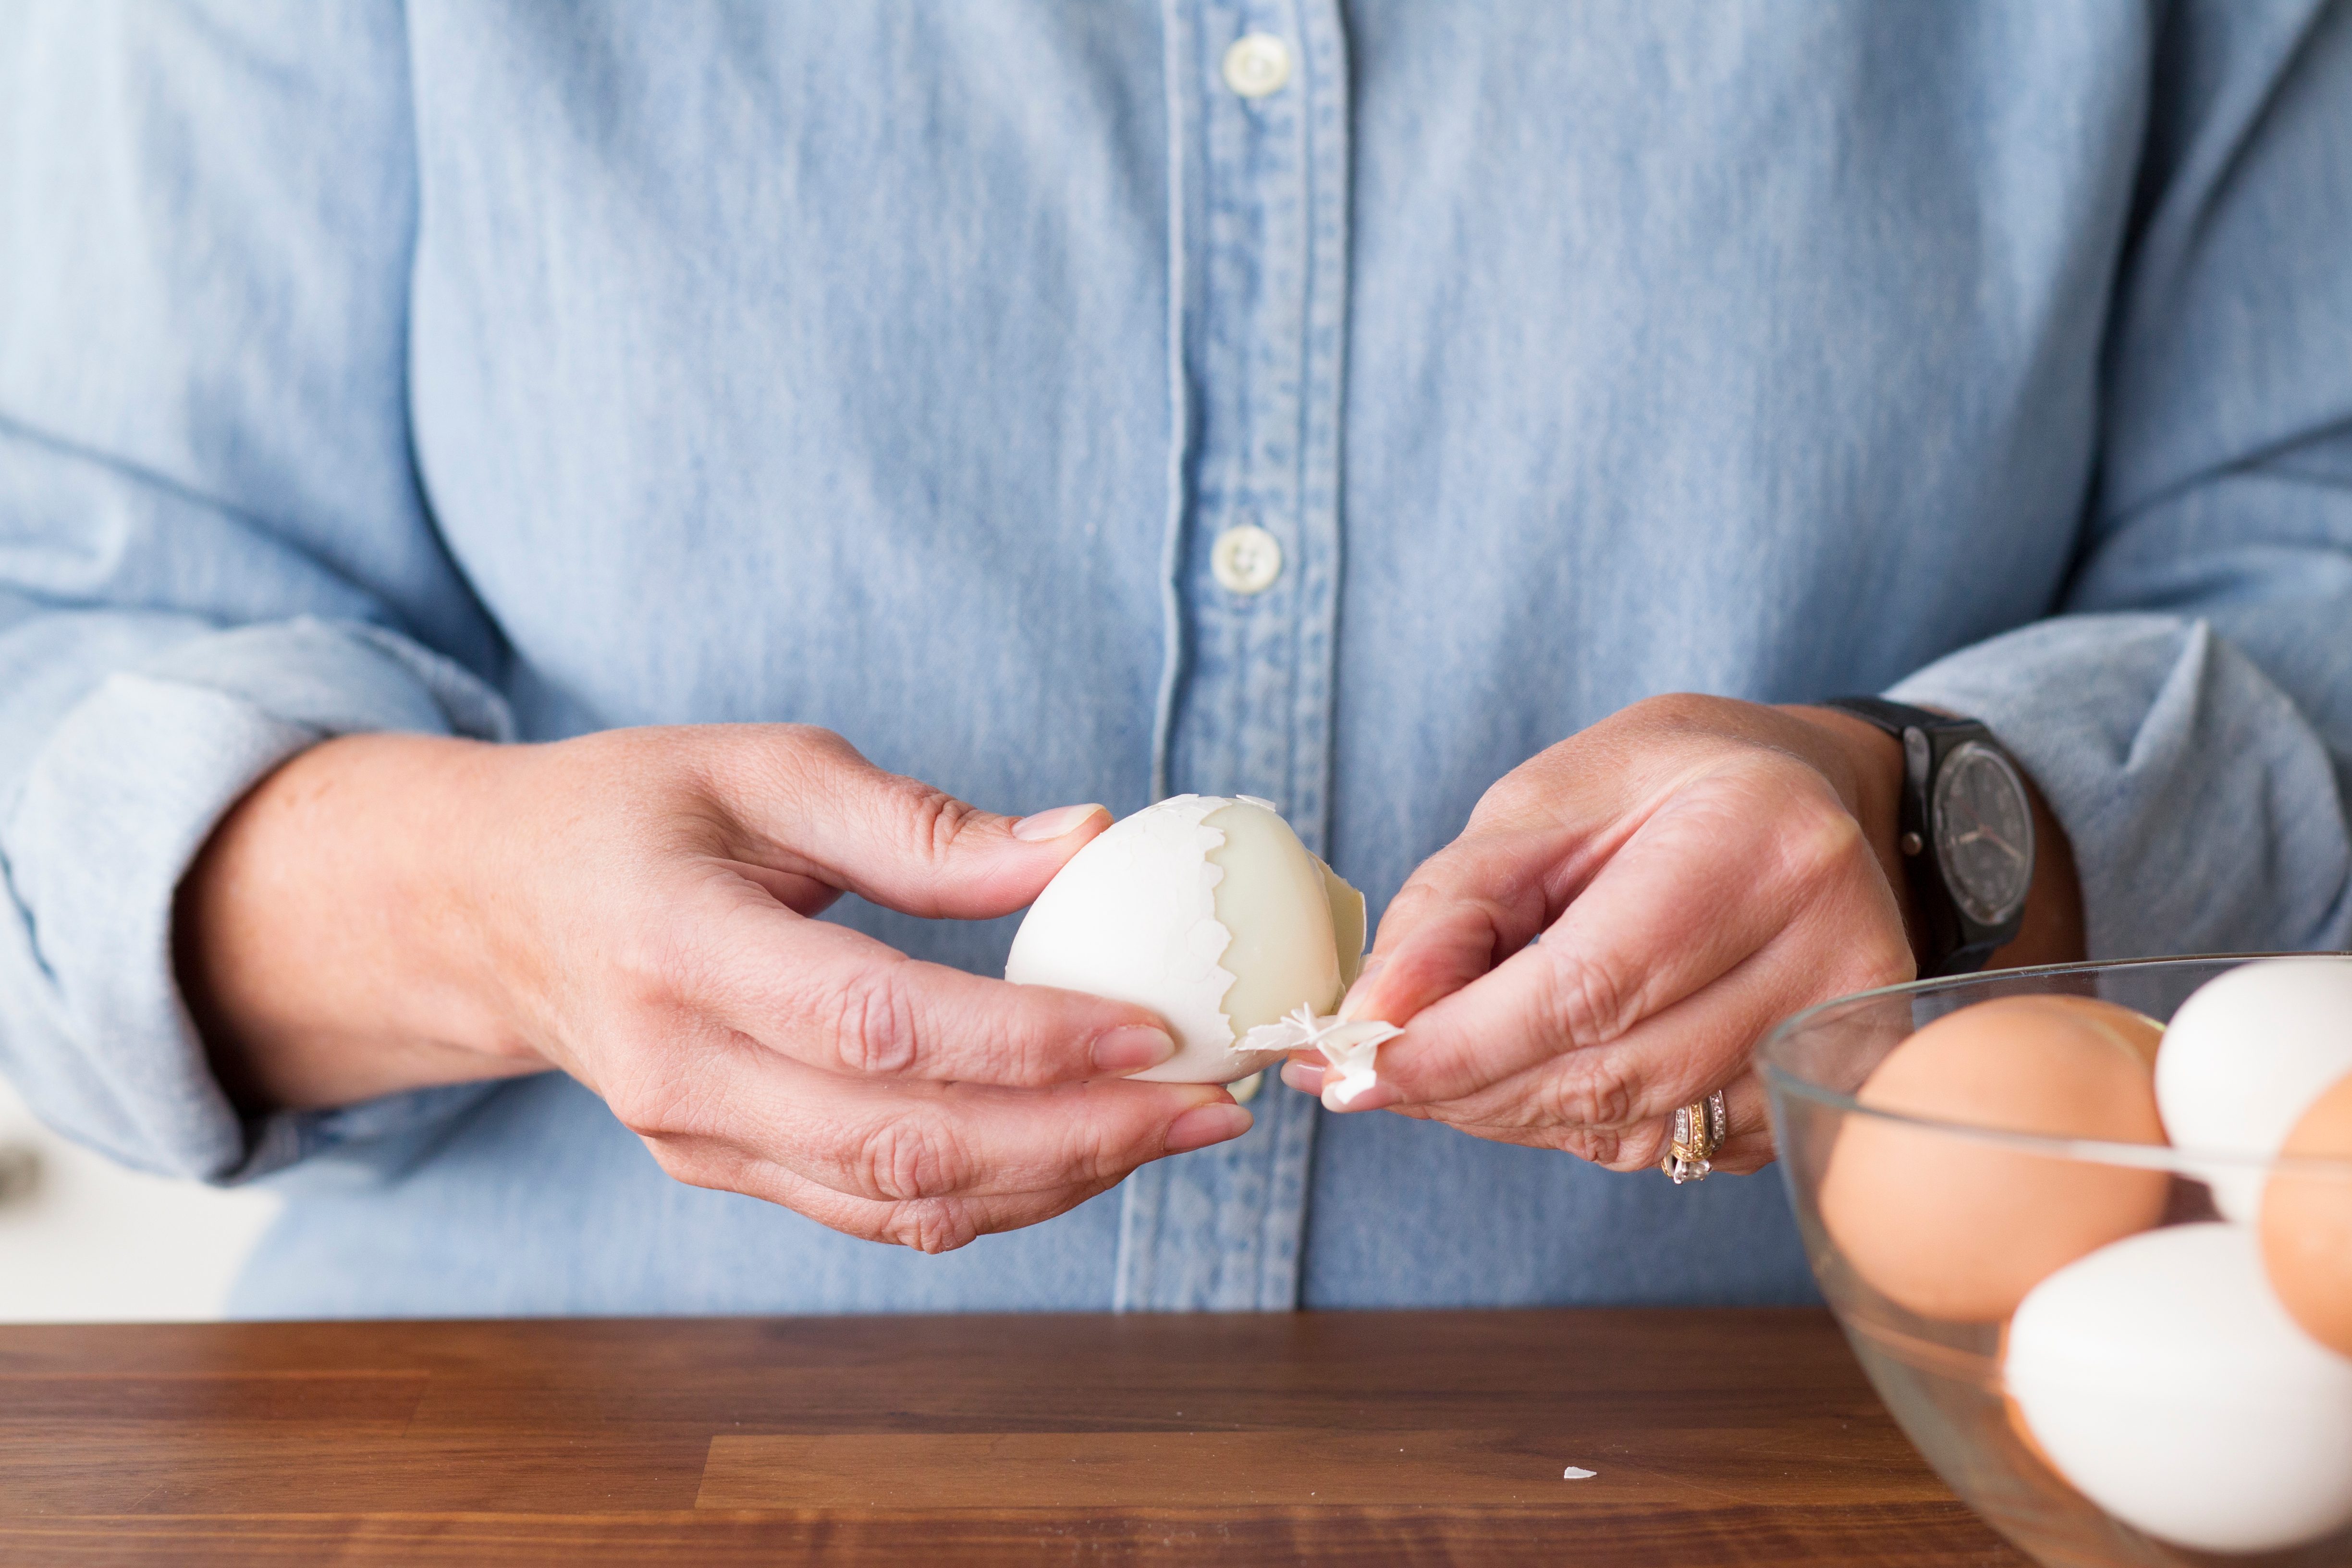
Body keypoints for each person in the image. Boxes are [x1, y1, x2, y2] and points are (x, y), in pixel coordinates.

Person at [1, 2, 2346, 1318]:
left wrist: (1931, 819)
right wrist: (482, 913)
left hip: (1755, 1480)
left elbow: (2312, 558)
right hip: (554, 1473)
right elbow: (64, 685)